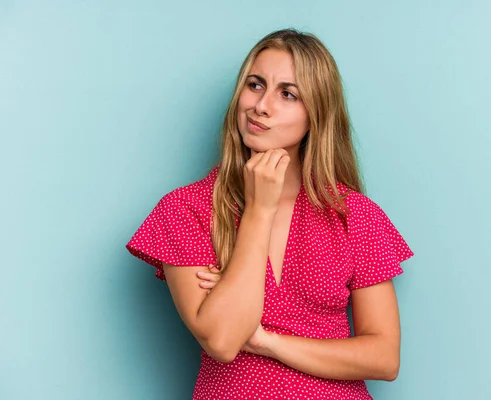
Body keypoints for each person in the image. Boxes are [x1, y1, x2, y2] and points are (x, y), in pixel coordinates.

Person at [126, 28, 414, 400]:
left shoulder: (354, 215)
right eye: (255, 85)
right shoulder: (185, 210)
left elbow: (384, 358)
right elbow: (224, 340)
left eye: (288, 94)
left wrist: (267, 341)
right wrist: (259, 210)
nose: (261, 106)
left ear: (316, 115)